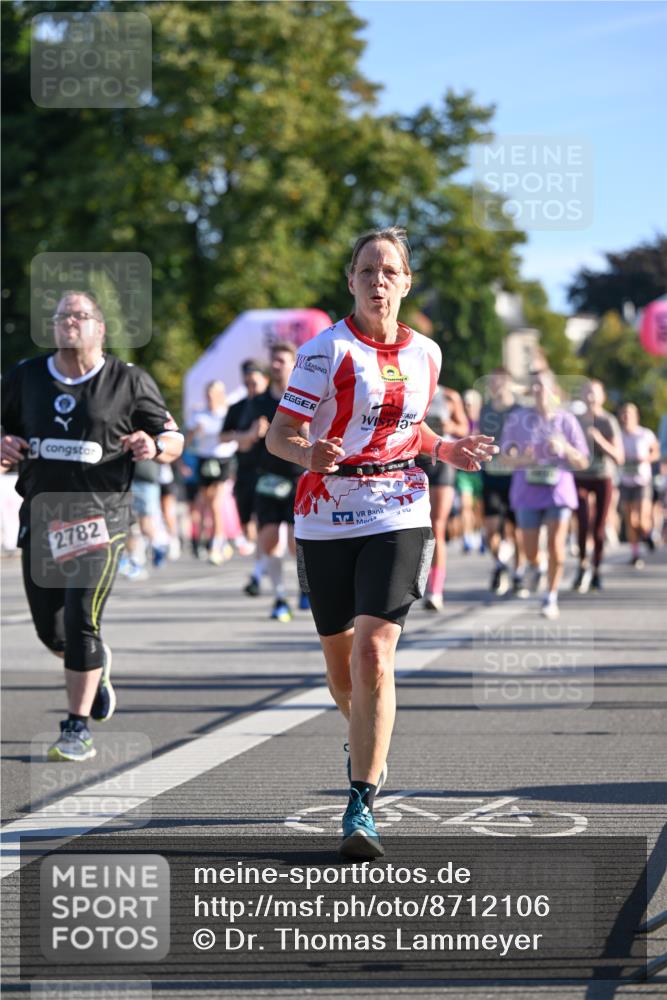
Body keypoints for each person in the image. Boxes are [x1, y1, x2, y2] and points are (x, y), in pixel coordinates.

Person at [266, 227, 497, 859]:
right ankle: (365, 731)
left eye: (390, 270)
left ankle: (361, 802)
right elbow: (279, 436)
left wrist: (446, 446)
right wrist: (307, 452)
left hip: (399, 505)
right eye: (367, 270)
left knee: (374, 655)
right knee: (341, 670)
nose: (378, 281)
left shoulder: (427, 352)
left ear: (406, 281)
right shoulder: (324, 351)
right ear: (351, 280)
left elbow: (410, 424)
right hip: (325, 513)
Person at [0, 290, 183, 761]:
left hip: (102, 519)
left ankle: (76, 726)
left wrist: (155, 445)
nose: (69, 322)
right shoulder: (26, 376)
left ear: (100, 328)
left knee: (83, 620)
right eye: (62, 315)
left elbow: (173, 436)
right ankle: (95, 667)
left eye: (80, 315)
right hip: (40, 517)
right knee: (51, 632)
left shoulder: (128, 379)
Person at [500, 369, 589, 620]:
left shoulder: (566, 420)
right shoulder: (517, 420)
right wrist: (523, 458)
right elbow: (505, 458)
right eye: (534, 386)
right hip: (527, 492)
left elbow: (583, 461)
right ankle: (536, 567)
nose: (538, 391)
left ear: (553, 391)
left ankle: (551, 597)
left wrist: (565, 449)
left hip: (558, 492)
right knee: (530, 550)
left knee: (556, 545)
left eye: (543, 386)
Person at [244, 341, 304, 620]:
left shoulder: (304, 398)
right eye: (275, 361)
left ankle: (306, 587)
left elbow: (315, 435)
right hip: (268, 479)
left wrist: (303, 429)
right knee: (268, 540)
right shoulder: (258, 402)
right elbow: (241, 443)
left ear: (294, 364)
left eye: (282, 361)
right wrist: (252, 434)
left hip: (298, 477)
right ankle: (280, 597)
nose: (277, 365)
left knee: (295, 542)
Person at [415, 384, 467, 610]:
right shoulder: (411, 387)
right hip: (415, 461)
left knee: (437, 526)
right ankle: (414, 583)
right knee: (413, 528)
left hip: (442, 464)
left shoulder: (449, 395)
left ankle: (435, 590)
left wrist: (451, 426)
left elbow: (464, 428)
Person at [572, 379, 624, 591]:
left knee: (599, 528)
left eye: (595, 393)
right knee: (583, 522)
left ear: (602, 397)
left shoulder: (608, 421)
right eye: (587, 393)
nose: (591, 397)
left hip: (603, 476)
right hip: (580, 477)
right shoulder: (574, 421)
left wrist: (600, 440)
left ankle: (597, 570)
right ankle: (582, 564)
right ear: (582, 396)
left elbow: (619, 457)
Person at [220, 359, 270, 571]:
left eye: (254, 382)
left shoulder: (273, 402)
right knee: (246, 519)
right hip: (244, 469)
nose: (251, 387)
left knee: (266, 521)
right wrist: (245, 436)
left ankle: (261, 564)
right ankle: (261, 555)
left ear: (265, 380)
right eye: (247, 382)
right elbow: (222, 436)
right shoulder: (238, 406)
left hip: (269, 470)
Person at [479, 367, 524, 596]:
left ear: (508, 383)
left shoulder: (519, 410)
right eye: (492, 382)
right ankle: (500, 564)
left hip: (515, 476)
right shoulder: (485, 409)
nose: (494, 386)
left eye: (498, 382)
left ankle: (518, 574)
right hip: (491, 474)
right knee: (490, 530)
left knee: (516, 530)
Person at [185, 380, 237, 565]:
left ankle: (217, 544)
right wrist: (194, 434)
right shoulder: (199, 413)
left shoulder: (228, 412)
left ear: (221, 394)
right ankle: (218, 539)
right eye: (208, 394)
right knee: (207, 504)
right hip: (204, 459)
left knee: (216, 503)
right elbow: (188, 440)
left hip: (223, 459)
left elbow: (234, 436)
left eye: (214, 393)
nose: (210, 397)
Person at [617, 403, 660, 568]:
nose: (626, 417)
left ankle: (648, 534)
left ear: (636, 416)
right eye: (623, 414)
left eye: (629, 414)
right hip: (625, 482)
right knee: (630, 521)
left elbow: (655, 451)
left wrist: (646, 459)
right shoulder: (619, 435)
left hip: (642, 481)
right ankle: (635, 554)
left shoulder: (645, 434)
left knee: (641, 520)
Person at [456, 388, 485, 553]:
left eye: (472, 404)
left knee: (478, 507)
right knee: (465, 505)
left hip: (480, 470)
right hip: (464, 471)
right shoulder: (461, 421)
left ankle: (480, 534)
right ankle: (467, 537)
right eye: (466, 404)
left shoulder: (485, 422)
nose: (469, 407)